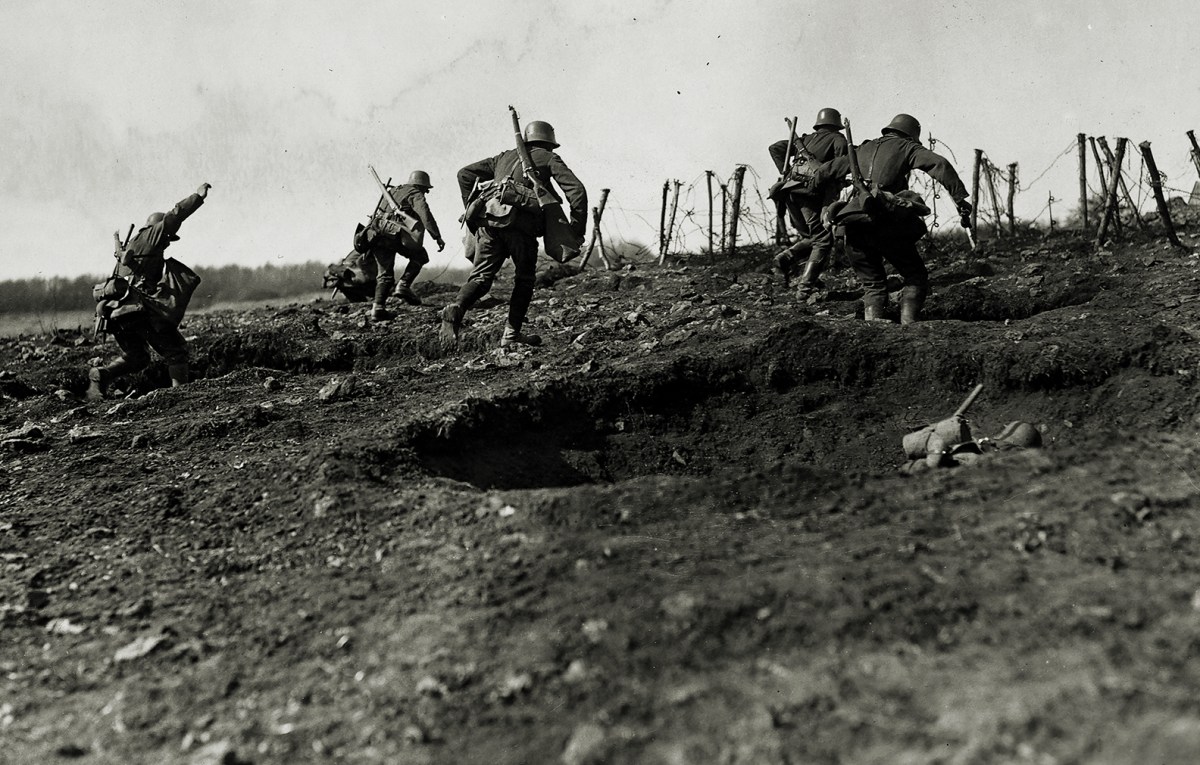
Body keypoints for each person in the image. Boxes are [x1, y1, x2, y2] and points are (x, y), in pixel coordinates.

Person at [441, 119, 586, 348]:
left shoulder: (503, 157)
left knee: (480, 278)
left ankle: (458, 307)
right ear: (549, 142)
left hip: (489, 226)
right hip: (522, 229)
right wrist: (576, 231)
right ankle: (510, 335)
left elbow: (464, 175)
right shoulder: (548, 158)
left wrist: (474, 207)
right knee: (524, 280)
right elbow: (577, 191)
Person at [817, 113, 972, 324]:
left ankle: (875, 328)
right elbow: (940, 165)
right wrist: (960, 199)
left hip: (852, 222)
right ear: (911, 135)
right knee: (915, 276)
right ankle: (909, 328)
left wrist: (825, 203)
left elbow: (823, 172)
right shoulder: (907, 147)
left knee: (872, 284)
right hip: (886, 221)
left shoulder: (861, 149)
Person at [87, 183, 211, 400]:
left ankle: (102, 375)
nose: (167, 243)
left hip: (113, 313)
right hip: (137, 310)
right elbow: (174, 216)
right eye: (167, 238)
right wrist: (198, 197)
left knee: (138, 357)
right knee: (176, 351)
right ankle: (180, 397)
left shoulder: (129, 248)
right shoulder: (151, 236)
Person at [769, 107, 848, 297]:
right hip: (809, 195)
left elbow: (775, 148)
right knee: (822, 240)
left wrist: (786, 171)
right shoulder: (838, 139)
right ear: (836, 124)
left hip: (788, 192)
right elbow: (840, 166)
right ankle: (805, 289)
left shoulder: (805, 139)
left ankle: (784, 259)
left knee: (813, 237)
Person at [357, 170, 445, 320]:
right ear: (419, 185)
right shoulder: (415, 193)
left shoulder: (392, 191)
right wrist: (437, 236)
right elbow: (425, 214)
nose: (426, 193)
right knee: (421, 255)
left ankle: (378, 308)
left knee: (384, 274)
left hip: (376, 234)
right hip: (394, 235)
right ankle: (403, 285)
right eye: (426, 189)